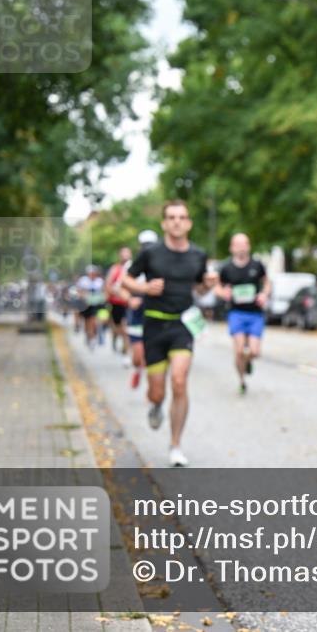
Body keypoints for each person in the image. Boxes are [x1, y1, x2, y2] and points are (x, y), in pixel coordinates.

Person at [123, 200, 218, 467]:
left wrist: (207, 286)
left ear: (188, 223)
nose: (177, 221)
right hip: (154, 325)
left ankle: (175, 444)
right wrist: (144, 289)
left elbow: (199, 290)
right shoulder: (151, 253)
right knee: (157, 392)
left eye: (182, 217)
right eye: (172, 217)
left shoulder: (198, 255)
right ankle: (155, 404)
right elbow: (126, 280)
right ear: (164, 223)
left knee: (179, 381)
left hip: (182, 325)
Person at [216, 233, 270, 395]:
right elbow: (217, 287)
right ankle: (241, 380)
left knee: (255, 352)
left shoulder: (257, 265)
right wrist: (223, 293)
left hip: (255, 314)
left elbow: (267, 283)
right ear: (231, 248)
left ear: (248, 246)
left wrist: (264, 294)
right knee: (239, 350)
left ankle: (247, 362)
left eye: (244, 244)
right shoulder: (226, 268)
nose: (241, 247)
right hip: (236, 313)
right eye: (237, 244)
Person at [126, 230, 159, 389]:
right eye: (145, 245)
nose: (148, 248)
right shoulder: (132, 265)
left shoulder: (162, 262)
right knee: (138, 357)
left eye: (151, 245)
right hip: (137, 315)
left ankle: (152, 389)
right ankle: (137, 370)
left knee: (150, 357)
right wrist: (130, 299)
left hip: (154, 315)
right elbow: (121, 286)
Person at [106, 246, 133, 355]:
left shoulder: (133, 267)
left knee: (126, 328)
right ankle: (115, 337)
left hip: (129, 304)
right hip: (116, 303)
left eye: (127, 253)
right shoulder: (115, 269)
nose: (125, 256)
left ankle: (126, 350)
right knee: (118, 328)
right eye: (123, 253)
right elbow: (108, 285)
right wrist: (117, 292)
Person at [76, 266, 106, 349]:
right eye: (90, 273)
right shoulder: (83, 281)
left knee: (94, 322)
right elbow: (79, 292)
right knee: (86, 322)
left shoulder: (99, 281)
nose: (92, 275)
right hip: (86, 305)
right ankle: (88, 334)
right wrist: (84, 296)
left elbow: (104, 291)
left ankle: (93, 337)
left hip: (96, 305)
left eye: (93, 273)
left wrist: (102, 298)